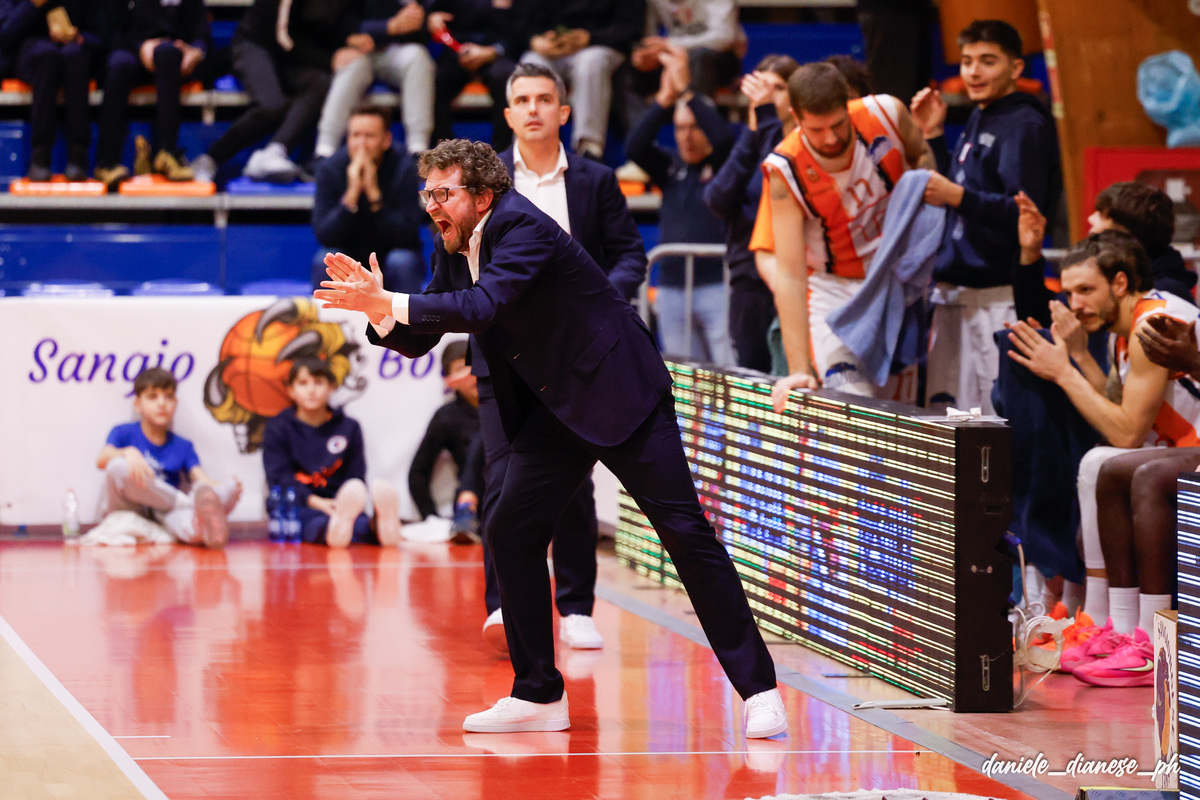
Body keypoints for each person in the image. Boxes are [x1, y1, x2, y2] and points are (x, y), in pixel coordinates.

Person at [316, 138, 786, 738]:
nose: (432, 206)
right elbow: (422, 330)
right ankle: (538, 693)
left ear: (483, 195)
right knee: (510, 530)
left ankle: (760, 691)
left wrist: (392, 300)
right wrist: (377, 310)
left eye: (444, 194)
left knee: (686, 536)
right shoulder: (453, 240)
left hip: (620, 390)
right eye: (426, 194)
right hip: (554, 405)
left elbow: (482, 307)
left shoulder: (522, 226)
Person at [477, 62, 647, 653]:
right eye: (522, 100)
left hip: (578, 359)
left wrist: (596, 304)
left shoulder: (597, 181)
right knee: (502, 477)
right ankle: (503, 603)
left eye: (544, 99)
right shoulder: (485, 183)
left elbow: (630, 255)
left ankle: (575, 606)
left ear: (564, 111)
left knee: (573, 482)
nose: (533, 109)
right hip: (503, 354)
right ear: (508, 115)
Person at [1005, 232, 1200, 665]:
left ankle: (1125, 627)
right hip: (1176, 450)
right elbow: (1116, 408)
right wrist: (1078, 357)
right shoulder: (1122, 329)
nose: (1075, 304)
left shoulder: (1152, 323)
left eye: (1085, 290)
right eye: (1069, 292)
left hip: (1189, 452)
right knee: (1100, 461)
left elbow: (1127, 433)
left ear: (1120, 283)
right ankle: (1110, 622)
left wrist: (1064, 373)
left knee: (1101, 460)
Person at [752, 61, 933, 400]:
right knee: (856, 406)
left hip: (894, 283)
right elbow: (790, 274)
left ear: (848, 106)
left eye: (837, 124)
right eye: (816, 130)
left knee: (900, 415)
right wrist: (799, 369)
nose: (831, 138)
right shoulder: (784, 169)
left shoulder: (886, 112)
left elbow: (922, 154)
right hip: (833, 295)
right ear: (795, 116)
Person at [911, 19, 1061, 414]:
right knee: (946, 420)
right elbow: (962, 189)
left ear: (1016, 68)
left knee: (993, 424)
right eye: (967, 61)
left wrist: (957, 196)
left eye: (988, 61)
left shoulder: (1025, 124)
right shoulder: (982, 114)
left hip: (997, 300)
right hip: (956, 297)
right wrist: (934, 136)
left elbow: (1024, 214)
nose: (974, 72)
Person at [627, 44, 734, 364]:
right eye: (679, 129)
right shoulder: (670, 168)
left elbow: (724, 139)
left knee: (731, 373)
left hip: (718, 286)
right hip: (673, 288)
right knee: (683, 379)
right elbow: (635, 147)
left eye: (694, 127)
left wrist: (687, 91)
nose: (686, 137)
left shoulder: (726, 165)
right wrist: (665, 99)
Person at [191, 0, 360, 184]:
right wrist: (330, 60)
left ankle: (276, 150)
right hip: (257, 44)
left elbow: (343, 26)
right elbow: (284, 40)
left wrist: (353, 42)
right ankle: (209, 160)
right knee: (272, 105)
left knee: (321, 83)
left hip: (295, 58)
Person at [703, 54, 798, 372]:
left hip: (794, 281)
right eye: (762, 88)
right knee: (752, 385)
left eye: (778, 88)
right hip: (748, 284)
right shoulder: (747, 141)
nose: (768, 96)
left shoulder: (802, 145)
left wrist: (766, 119)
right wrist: (752, 131)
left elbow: (782, 178)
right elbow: (716, 199)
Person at [262, 357, 402, 547]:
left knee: (357, 520)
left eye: (319, 382)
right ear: (291, 390)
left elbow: (355, 478)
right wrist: (316, 502)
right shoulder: (278, 427)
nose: (311, 390)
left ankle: (378, 524)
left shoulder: (349, 427)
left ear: (332, 387)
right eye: (303, 383)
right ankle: (346, 529)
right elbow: (279, 478)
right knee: (309, 523)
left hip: (341, 505)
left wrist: (342, 503)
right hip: (299, 505)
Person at [96, 367, 242, 548]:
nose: (162, 403)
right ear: (137, 404)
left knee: (186, 520)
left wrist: (225, 489)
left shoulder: (183, 445)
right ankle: (186, 503)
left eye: (168, 396)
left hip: (165, 512)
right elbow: (102, 460)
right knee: (117, 466)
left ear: (175, 402)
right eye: (152, 396)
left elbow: (202, 479)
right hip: (130, 508)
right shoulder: (123, 432)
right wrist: (127, 452)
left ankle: (204, 528)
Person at [93, 0, 209, 189]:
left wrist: (196, 51)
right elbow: (111, 31)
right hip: (131, 50)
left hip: (173, 57)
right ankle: (107, 162)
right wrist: (140, 46)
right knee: (119, 64)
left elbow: (201, 31)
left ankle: (168, 153)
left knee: (167, 53)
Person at [311, 104, 427, 293]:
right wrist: (351, 195)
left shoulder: (404, 169)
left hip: (390, 256)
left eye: (370, 136)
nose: (361, 144)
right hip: (349, 256)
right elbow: (324, 234)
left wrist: (374, 197)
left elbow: (406, 235)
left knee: (402, 261)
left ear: (386, 140)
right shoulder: (330, 169)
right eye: (355, 135)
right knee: (326, 258)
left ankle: (407, 314)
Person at [520, 0, 644, 161]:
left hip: (601, 45)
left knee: (590, 62)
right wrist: (535, 39)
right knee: (531, 64)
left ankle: (589, 149)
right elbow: (523, 21)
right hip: (553, 50)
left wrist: (590, 38)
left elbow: (631, 29)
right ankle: (533, 147)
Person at [312, 0, 434, 162]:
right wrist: (386, 27)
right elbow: (333, 23)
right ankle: (324, 150)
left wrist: (413, 23)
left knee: (418, 56)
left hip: (396, 49)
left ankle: (418, 149)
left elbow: (420, 29)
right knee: (351, 65)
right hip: (354, 48)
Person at [0, 0, 104, 182]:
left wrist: (80, 37)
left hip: (73, 49)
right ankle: (40, 156)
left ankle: (78, 156)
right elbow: (6, 35)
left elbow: (105, 37)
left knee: (74, 56)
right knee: (47, 56)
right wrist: (33, 4)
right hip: (31, 53)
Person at [426, 0, 526, 153]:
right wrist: (431, 17)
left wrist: (494, 50)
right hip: (457, 50)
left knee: (508, 80)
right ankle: (444, 153)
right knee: (432, 81)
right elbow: (432, 9)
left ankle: (503, 154)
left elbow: (523, 29)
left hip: (499, 52)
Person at [406, 340, 480, 530]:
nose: (471, 374)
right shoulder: (447, 417)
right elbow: (418, 472)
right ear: (449, 380)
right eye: (461, 368)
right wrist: (433, 520)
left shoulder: (509, 407)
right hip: (474, 508)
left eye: (475, 364)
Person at [630, 0, 744, 98]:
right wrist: (646, 54)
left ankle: (696, 113)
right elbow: (650, 37)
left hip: (720, 58)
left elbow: (723, 38)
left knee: (699, 58)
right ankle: (645, 116)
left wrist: (670, 44)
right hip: (673, 55)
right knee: (630, 66)